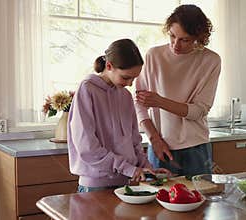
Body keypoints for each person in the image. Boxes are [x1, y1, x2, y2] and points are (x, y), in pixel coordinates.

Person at [68, 39, 170, 193]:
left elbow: (134, 141)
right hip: (96, 185)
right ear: (109, 66)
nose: (130, 84)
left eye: (134, 78)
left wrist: (147, 168)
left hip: (126, 183)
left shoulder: (126, 96)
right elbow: (87, 147)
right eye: (125, 77)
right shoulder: (87, 90)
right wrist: (129, 169)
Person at [134, 5, 221, 176]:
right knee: (158, 201)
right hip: (160, 146)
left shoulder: (211, 61)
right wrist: (154, 139)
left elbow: (198, 111)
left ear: (199, 38)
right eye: (172, 36)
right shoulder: (154, 56)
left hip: (196, 148)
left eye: (185, 40)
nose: (176, 45)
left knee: (201, 200)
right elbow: (139, 104)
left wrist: (159, 101)